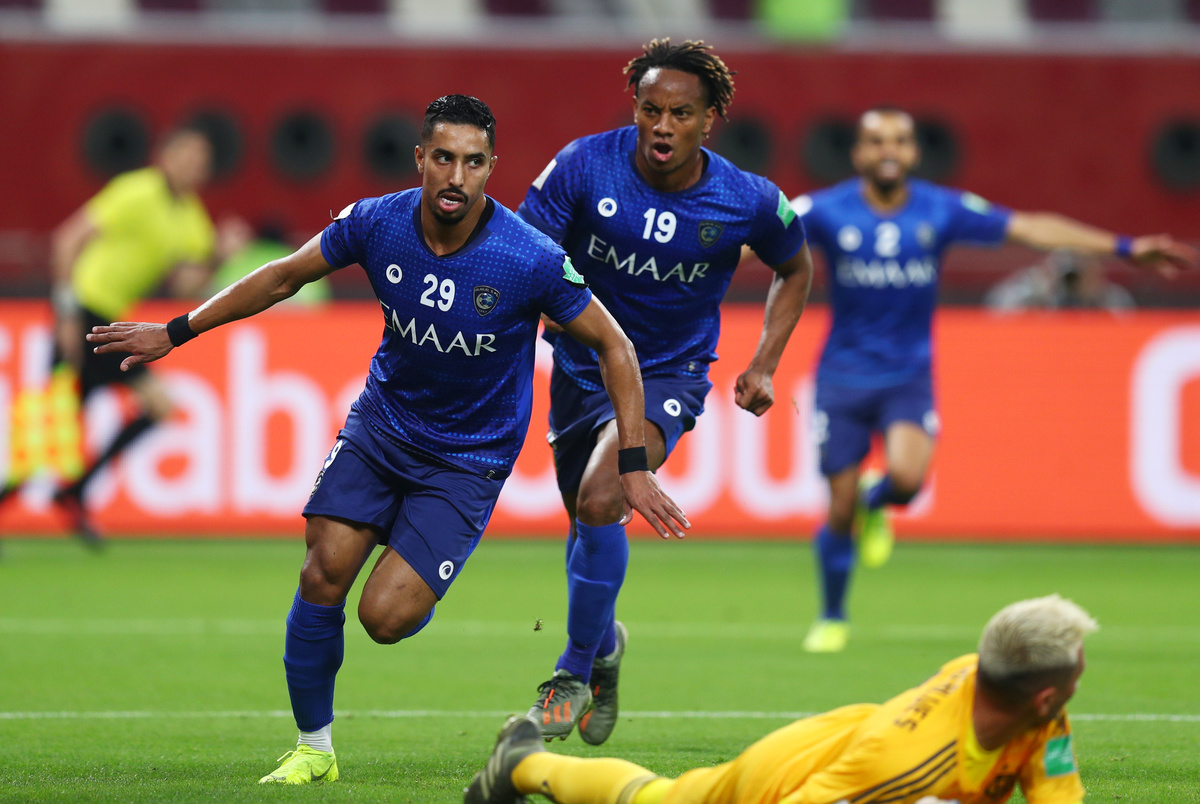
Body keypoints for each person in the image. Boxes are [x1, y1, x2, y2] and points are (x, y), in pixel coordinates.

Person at [86, 95, 689, 786]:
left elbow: (617, 347)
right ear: (420, 158)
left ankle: (422, 574)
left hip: (467, 460)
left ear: (491, 167)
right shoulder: (378, 223)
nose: (456, 176)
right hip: (380, 431)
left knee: (384, 617)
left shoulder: (529, 258)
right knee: (321, 573)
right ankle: (313, 748)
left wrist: (633, 462)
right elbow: (284, 275)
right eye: (444, 158)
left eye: (473, 162)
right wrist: (176, 330)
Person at [790, 108, 1197, 654]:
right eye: (877, 141)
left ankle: (877, 498)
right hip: (842, 377)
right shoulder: (826, 209)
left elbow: (1030, 227)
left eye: (900, 140)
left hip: (908, 376)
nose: (889, 150)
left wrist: (1124, 248)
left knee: (907, 481)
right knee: (837, 509)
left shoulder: (940, 208)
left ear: (914, 152)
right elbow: (759, 236)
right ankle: (833, 616)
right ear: (858, 153)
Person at [515, 38, 813, 743]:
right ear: (636, 108)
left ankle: (570, 676)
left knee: (602, 495)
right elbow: (522, 254)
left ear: (709, 120)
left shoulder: (746, 199)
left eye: (681, 114)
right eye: (651, 109)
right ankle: (604, 649)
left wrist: (765, 362)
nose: (663, 126)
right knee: (587, 526)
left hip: (666, 376)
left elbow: (795, 268)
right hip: (581, 370)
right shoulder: (584, 165)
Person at [465, 593, 1097, 804]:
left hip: (847, 740)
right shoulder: (906, 764)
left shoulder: (1025, 701)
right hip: (784, 777)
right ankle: (523, 762)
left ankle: (522, 759)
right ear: (1044, 696)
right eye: (1076, 667)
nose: (1082, 673)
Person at [0, 126, 223, 544]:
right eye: (186, 155)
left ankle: (74, 491)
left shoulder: (192, 218)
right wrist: (66, 314)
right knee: (61, 425)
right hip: (84, 312)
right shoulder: (136, 191)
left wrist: (217, 259)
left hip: (109, 322)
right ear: (164, 156)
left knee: (57, 426)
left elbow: (185, 286)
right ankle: (75, 492)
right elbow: (68, 240)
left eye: (201, 160)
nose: (193, 166)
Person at [985, 249, 1135, 312]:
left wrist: (1095, 295)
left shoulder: (1107, 295)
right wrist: (1038, 293)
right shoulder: (1029, 287)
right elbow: (996, 316)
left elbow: (1127, 324)